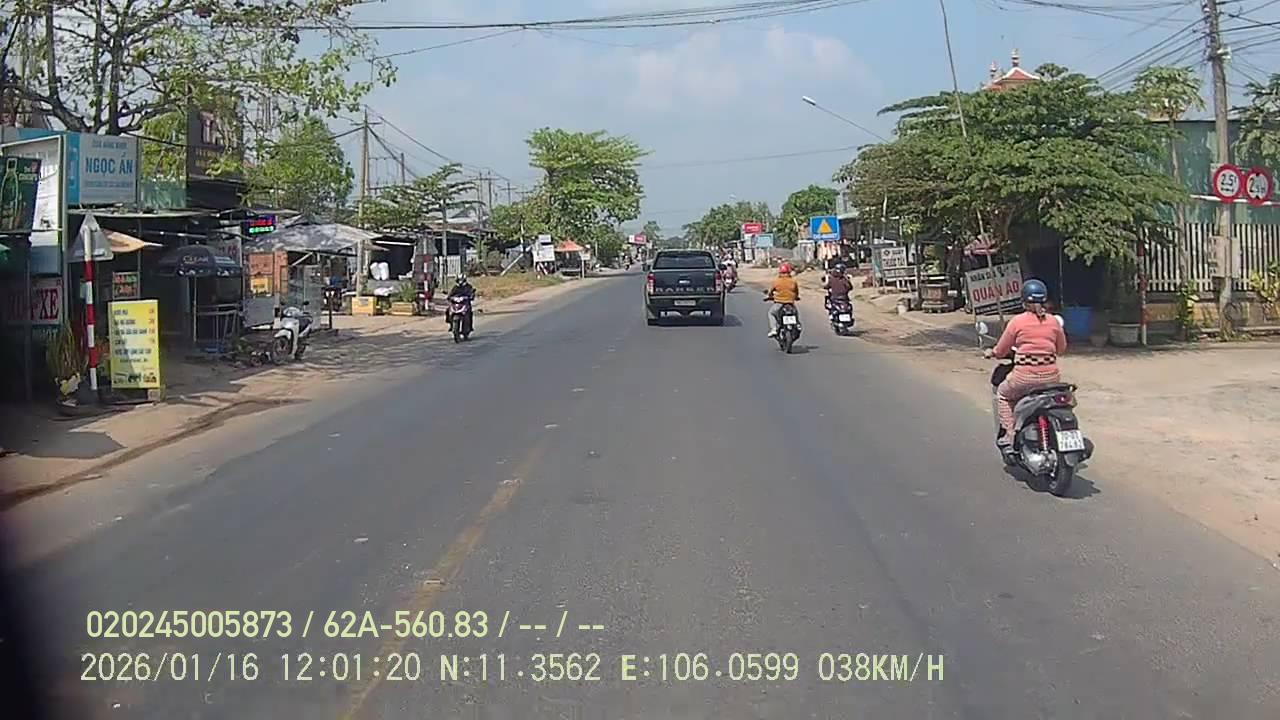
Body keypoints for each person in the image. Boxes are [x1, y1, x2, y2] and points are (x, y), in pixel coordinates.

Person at [984, 279, 1067, 451]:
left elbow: (1001, 350)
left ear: (1023, 301)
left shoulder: (1017, 322)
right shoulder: (1053, 321)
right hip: (1051, 378)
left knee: (1003, 395)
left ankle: (1010, 435)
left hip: (1024, 378)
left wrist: (992, 352)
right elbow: (1061, 349)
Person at [764, 262, 800, 338]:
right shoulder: (793, 281)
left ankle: (774, 329)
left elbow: (771, 291)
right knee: (795, 312)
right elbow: (796, 292)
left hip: (779, 303)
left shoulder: (777, 281)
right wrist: (796, 297)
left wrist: (769, 296)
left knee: (771, 313)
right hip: (790, 302)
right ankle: (797, 324)